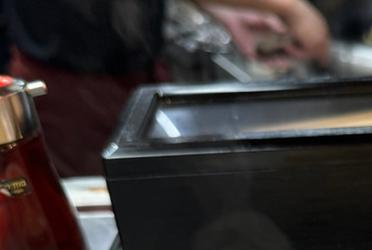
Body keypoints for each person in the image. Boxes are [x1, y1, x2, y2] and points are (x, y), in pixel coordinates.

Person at [5, 0, 329, 176]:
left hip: (139, 73)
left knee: (151, 192)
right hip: (66, 87)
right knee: (104, 209)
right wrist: (287, 7)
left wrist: (223, 10)